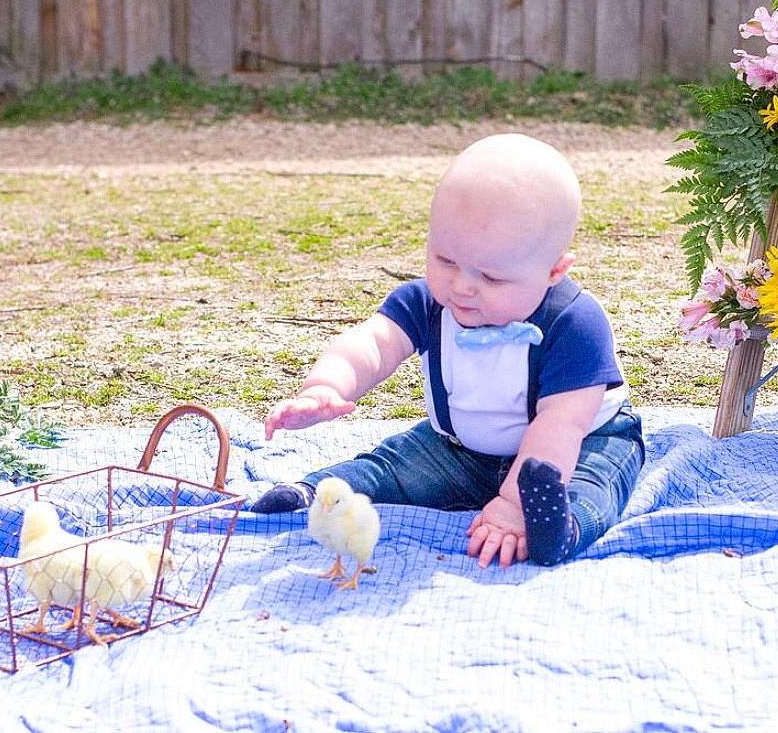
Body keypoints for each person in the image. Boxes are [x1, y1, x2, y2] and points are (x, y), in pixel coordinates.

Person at [251, 133, 645, 569]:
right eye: (445, 260)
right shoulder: (428, 304)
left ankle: (560, 528)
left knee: (594, 488)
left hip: (580, 446)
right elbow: (373, 343)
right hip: (461, 449)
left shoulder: (575, 324)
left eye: (491, 278)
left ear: (554, 271)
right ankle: (319, 492)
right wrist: (326, 386)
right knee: (396, 467)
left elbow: (561, 425)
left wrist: (513, 505)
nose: (461, 286)